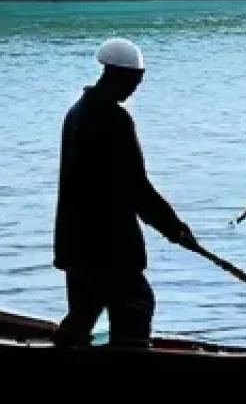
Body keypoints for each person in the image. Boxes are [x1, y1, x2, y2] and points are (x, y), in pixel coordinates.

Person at [53, 38, 196, 348]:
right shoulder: (113, 119)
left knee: (81, 314)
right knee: (135, 304)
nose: (135, 88)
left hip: (76, 243)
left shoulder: (77, 112)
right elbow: (135, 186)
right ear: (122, 76)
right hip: (109, 245)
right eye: (135, 80)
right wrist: (174, 228)